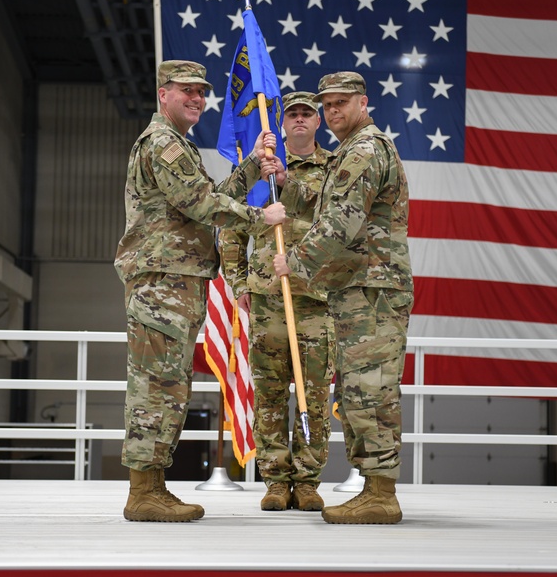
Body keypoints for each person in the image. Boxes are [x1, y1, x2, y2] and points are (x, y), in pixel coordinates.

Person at [115, 60, 285, 522]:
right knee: (156, 387)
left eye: (201, 92)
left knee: (170, 386)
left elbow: (210, 194)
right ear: (162, 94)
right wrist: (258, 218)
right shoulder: (162, 144)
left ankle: (153, 486)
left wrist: (251, 167)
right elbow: (202, 203)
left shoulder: (180, 145)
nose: (196, 98)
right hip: (161, 283)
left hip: (177, 282)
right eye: (186, 90)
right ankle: (142, 492)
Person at [273, 72, 413, 524]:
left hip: (372, 288)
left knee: (370, 391)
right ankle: (373, 487)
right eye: (327, 105)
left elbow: (343, 221)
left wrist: (293, 260)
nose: (333, 113)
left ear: (364, 103)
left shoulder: (365, 150)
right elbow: (326, 208)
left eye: (341, 104)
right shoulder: (353, 151)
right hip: (357, 287)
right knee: (355, 391)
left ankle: (380, 493)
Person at [219, 91, 334, 512]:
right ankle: (273, 479)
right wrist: (238, 283)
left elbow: (339, 217)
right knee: (268, 391)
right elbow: (231, 228)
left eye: (307, 114)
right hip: (267, 298)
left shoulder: (334, 168)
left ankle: (306, 480)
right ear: (282, 123)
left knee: (314, 391)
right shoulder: (260, 171)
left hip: (316, 298)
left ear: (318, 121)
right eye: (293, 115)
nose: (300, 120)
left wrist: (291, 184)